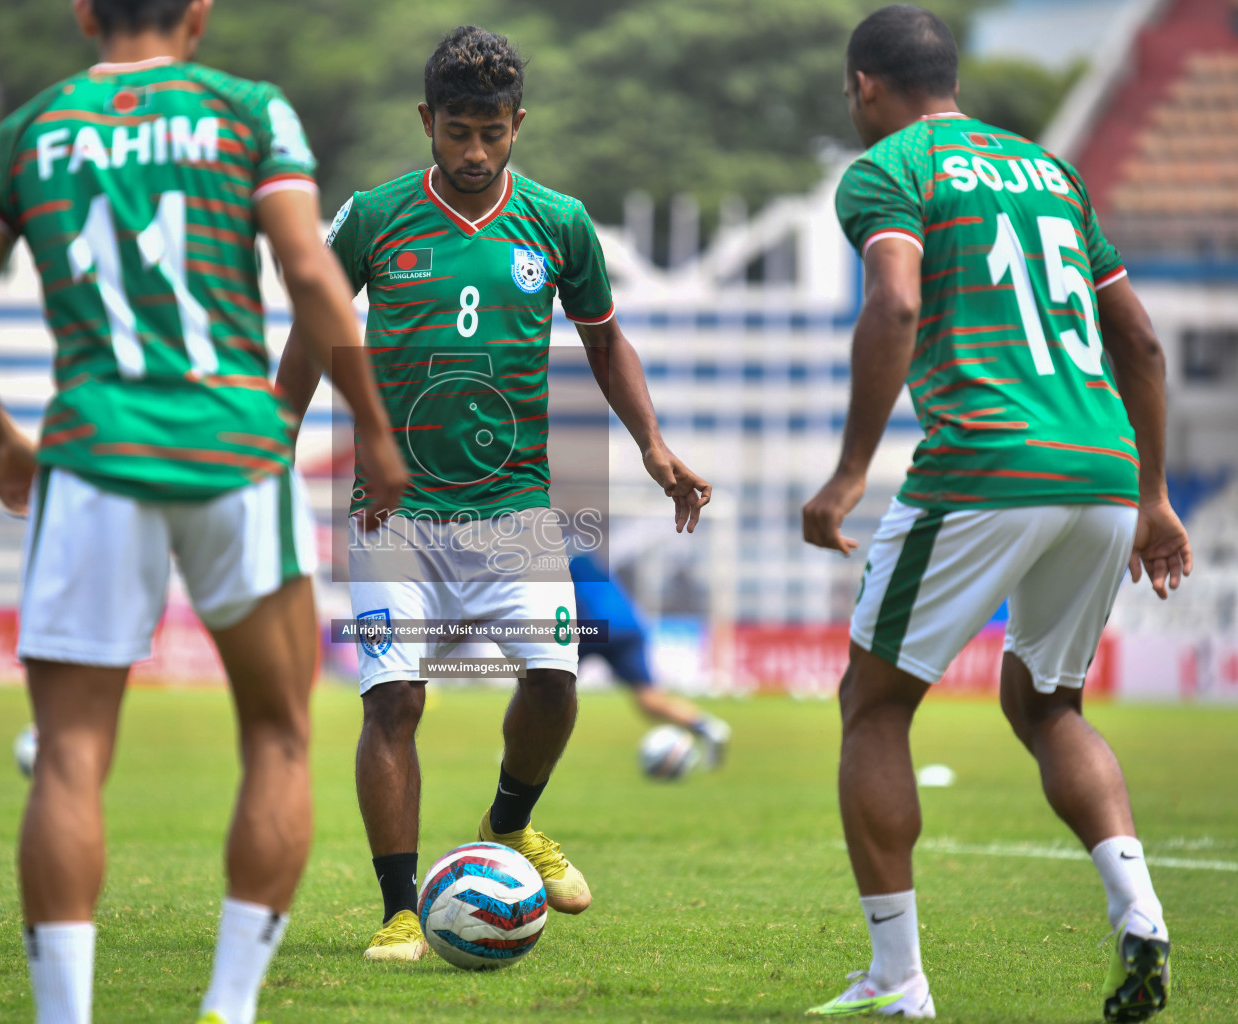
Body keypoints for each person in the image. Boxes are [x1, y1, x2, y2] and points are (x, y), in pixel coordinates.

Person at [0, 1, 406, 1022]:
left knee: (69, 753)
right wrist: (374, 426)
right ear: (199, 12)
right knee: (276, 735)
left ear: (84, 12)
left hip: (92, 453)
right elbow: (310, 272)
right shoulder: (247, 112)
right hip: (235, 447)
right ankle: (226, 1009)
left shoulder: (27, 131)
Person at [276, 25, 711, 963]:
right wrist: (274, 438)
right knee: (394, 703)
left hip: (515, 509)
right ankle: (401, 911)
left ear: (518, 123)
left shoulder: (559, 222)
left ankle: (510, 823)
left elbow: (605, 342)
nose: (474, 152)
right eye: (457, 132)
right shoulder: (375, 216)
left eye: (493, 132)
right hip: (394, 516)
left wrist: (654, 445)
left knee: (555, 681)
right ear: (427, 121)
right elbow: (316, 329)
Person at [801, 6, 1193, 1020]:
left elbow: (894, 306)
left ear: (865, 87)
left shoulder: (892, 167)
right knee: (1048, 703)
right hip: (1103, 466)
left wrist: (848, 473)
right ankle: (1139, 905)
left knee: (876, 705)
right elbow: (1140, 342)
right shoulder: (1051, 173)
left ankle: (898, 979)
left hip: (986, 460)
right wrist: (1152, 496)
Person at [569, 553, 730, 765]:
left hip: (590, 626)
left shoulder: (549, 562)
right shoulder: (588, 560)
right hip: (628, 624)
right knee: (649, 698)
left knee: (551, 689)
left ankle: (536, 749)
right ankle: (707, 727)